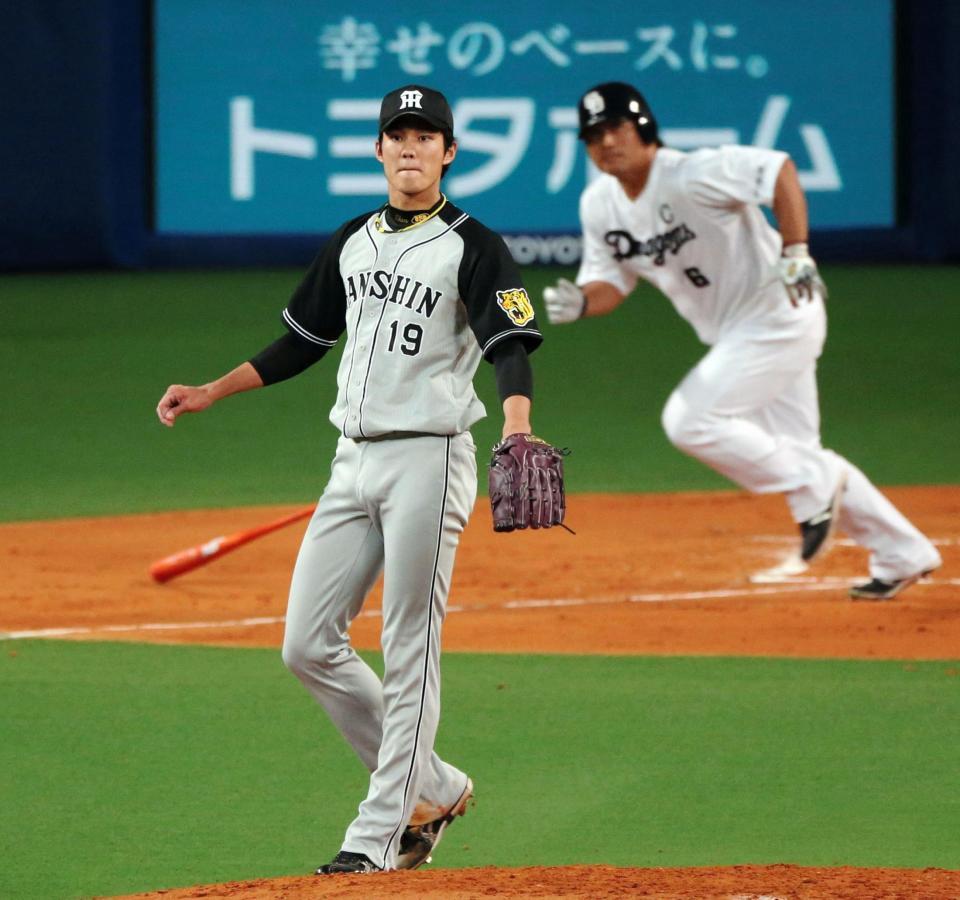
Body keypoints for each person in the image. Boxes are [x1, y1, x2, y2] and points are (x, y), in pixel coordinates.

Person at [156, 84, 545, 873]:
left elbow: (510, 342)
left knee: (410, 645)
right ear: (378, 150)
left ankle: (377, 836)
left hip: (429, 458)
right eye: (397, 135)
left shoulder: (474, 245)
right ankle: (432, 784)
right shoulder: (351, 243)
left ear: (449, 152)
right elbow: (301, 343)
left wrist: (516, 422)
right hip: (351, 461)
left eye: (425, 136)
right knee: (306, 644)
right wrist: (209, 391)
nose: (410, 147)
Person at [543, 81, 940, 600]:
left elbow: (779, 170)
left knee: (691, 420)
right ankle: (901, 552)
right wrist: (582, 301)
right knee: (801, 452)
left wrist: (796, 249)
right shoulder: (599, 204)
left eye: (616, 127)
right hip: (737, 333)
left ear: (643, 127)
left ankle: (816, 480)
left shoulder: (692, 173)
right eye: (593, 135)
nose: (606, 142)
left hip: (780, 314)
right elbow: (611, 280)